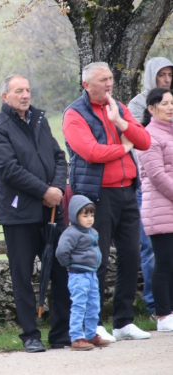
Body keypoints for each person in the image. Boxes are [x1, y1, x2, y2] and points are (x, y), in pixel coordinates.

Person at [63, 61, 151, 342]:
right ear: (86, 85)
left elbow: (144, 140)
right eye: (102, 80)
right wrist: (124, 147)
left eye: (110, 78)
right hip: (96, 195)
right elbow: (90, 152)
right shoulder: (74, 114)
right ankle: (95, 323)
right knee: (96, 258)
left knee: (131, 255)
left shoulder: (120, 108)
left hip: (127, 191)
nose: (109, 84)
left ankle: (124, 321)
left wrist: (120, 122)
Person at [0, 74, 71, 353]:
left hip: (51, 212)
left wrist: (56, 189)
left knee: (60, 272)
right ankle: (31, 335)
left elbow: (59, 156)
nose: (25, 95)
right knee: (22, 276)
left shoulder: (39, 120)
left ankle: (60, 334)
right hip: (19, 215)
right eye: (18, 91)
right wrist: (44, 191)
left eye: (28, 90)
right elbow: (8, 169)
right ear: (5, 96)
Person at [127, 57, 173, 319]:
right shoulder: (137, 105)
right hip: (149, 188)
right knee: (153, 252)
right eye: (161, 75)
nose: (166, 79)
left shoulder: (170, 105)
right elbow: (140, 144)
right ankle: (157, 307)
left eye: (169, 74)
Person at [137, 87, 173, 332]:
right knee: (164, 263)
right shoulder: (148, 136)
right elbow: (157, 176)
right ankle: (163, 315)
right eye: (165, 104)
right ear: (151, 109)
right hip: (160, 209)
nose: (170, 107)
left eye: (172, 103)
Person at [56, 195, 111, 351]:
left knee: (94, 305)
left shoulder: (92, 231)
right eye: (85, 215)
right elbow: (61, 252)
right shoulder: (71, 233)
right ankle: (76, 337)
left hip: (92, 275)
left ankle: (91, 334)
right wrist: (68, 265)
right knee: (79, 305)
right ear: (75, 215)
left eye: (91, 215)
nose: (89, 219)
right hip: (78, 275)